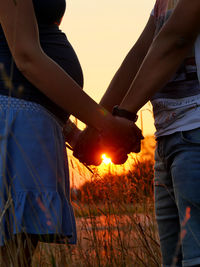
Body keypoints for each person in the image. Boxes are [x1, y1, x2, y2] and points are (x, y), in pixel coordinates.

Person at [0, 0, 143, 266]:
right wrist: (106, 125)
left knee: (16, 256)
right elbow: (26, 58)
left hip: (31, 124)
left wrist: (74, 134)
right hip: (12, 126)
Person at [74, 0, 200, 266]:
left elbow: (177, 38)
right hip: (170, 140)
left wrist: (124, 116)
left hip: (195, 134)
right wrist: (97, 125)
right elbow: (139, 55)